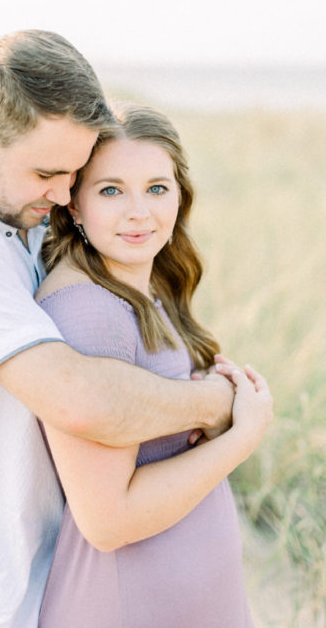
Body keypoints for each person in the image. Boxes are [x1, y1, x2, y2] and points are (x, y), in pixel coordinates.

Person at [0, 30, 240, 627]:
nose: (65, 192)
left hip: (44, 577)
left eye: (75, 173)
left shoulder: (22, 212)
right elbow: (82, 399)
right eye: (50, 172)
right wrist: (219, 407)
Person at [35, 104, 271, 625]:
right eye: (111, 190)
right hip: (130, 606)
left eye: (157, 188)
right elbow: (107, 519)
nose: (139, 212)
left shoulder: (140, 286)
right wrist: (239, 438)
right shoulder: (90, 312)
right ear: (74, 204)